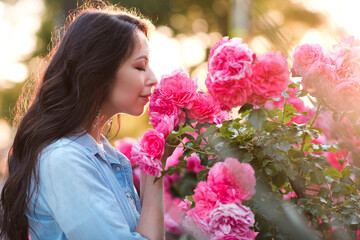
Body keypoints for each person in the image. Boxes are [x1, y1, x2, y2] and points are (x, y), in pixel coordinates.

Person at [0, 2, 171, 240]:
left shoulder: (109, 156)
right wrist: (154, 174)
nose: (153, 78)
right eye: (140, 66)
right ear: (98, 71)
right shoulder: (64, 159)